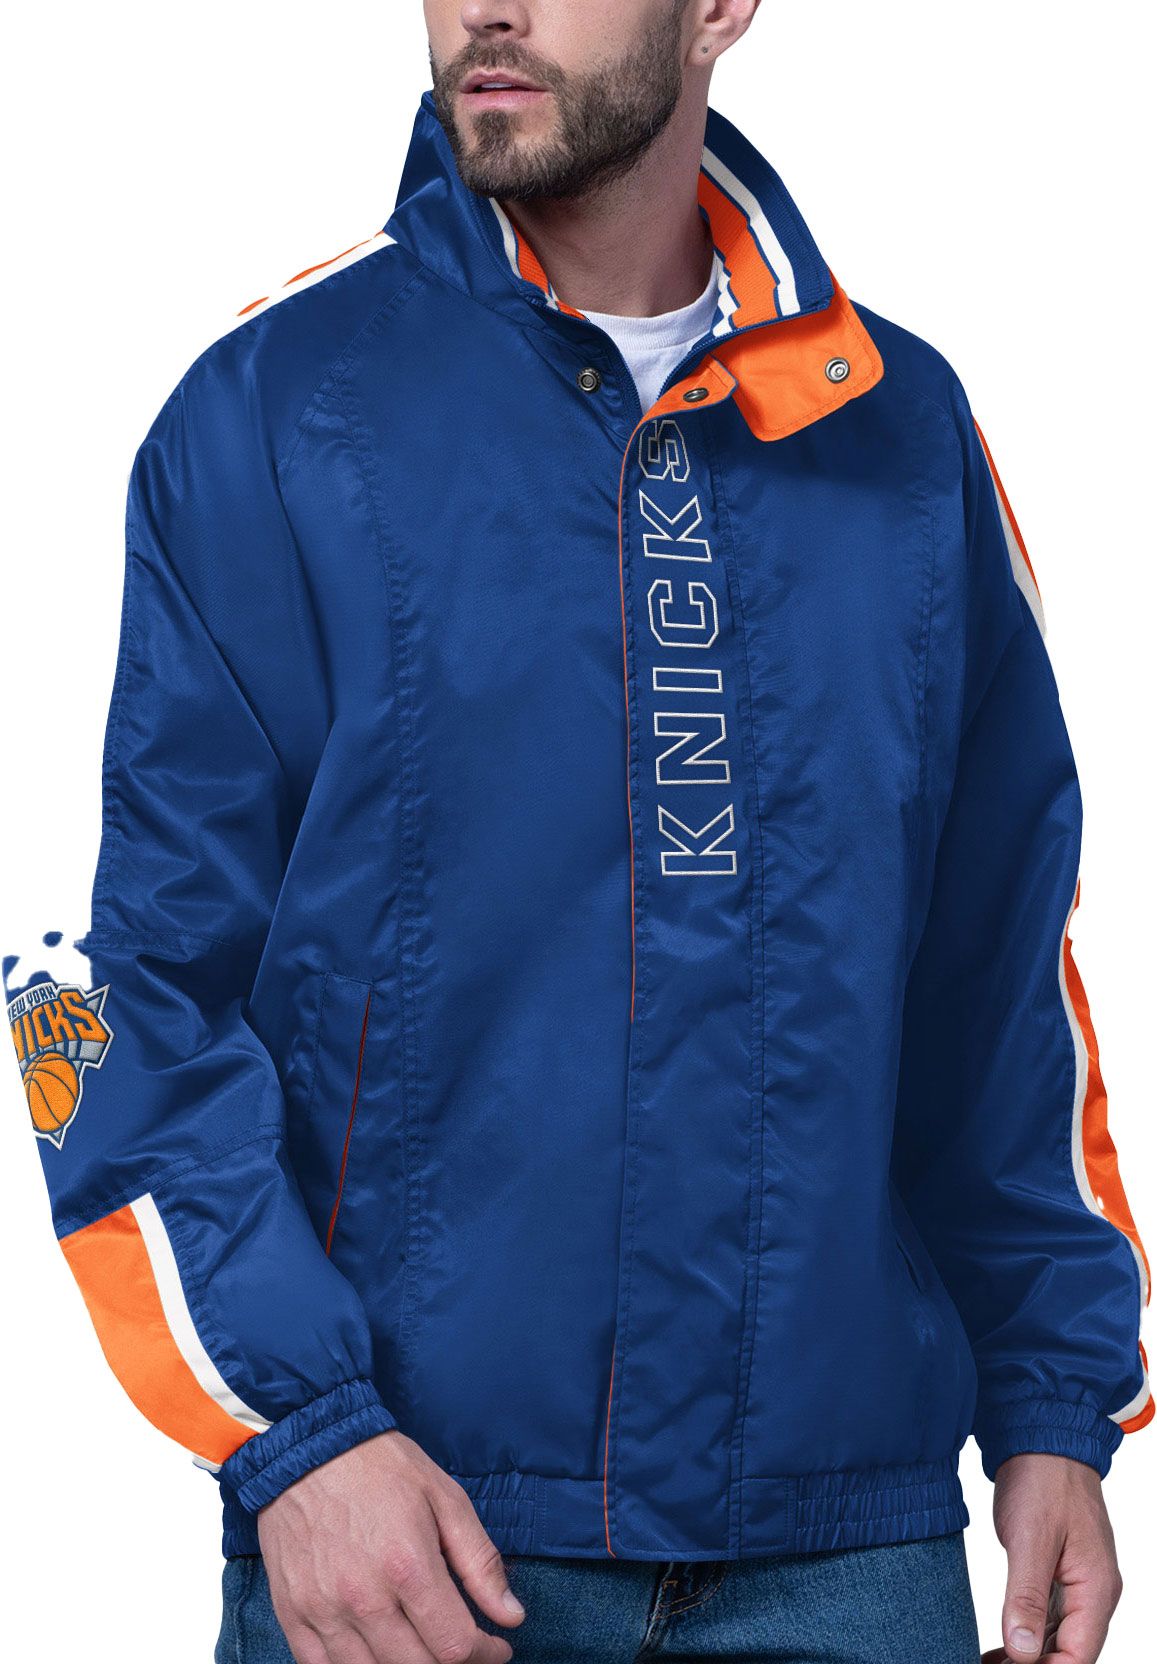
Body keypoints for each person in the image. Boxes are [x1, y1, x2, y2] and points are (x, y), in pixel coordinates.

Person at [14, 3, 1148, 1661]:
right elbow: (133, 987)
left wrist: (1053, 1402)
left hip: (849, 1551)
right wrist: (296, 1435)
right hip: (423, 1545)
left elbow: (997, 973)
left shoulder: (898, 434)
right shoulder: (279, 411)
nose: (488, 5)